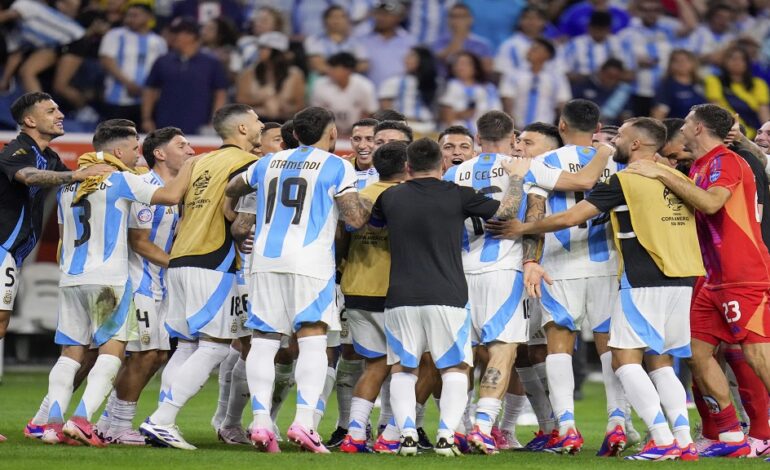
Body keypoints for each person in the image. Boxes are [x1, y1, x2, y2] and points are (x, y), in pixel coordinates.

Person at [505, 117, 702, 461]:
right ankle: (675, 437)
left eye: (619, 137)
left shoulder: (622, 178)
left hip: (636, 275)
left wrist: (523, 228)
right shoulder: (677, 177)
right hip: (680, 277)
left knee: (621, 358)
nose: (609, 143)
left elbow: (570, 217)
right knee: (659, 360)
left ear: (636, 144)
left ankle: (653, 437)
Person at [625, 104, 770, 458]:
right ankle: (732, 436)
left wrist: (663, 174)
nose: (682, 129)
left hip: (742, 273)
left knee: (758, 354)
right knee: (696, 351)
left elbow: (709, 204)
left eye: (687, 123)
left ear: (700, 128)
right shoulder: (702, 165)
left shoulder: (727, 160)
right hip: (711, 275)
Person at [370, 137, 531, 456]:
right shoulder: (457, 195)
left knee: (405, 367)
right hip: (448, 293)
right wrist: (515, 177)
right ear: (442, 165)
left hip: (400, 294)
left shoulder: (390, 197)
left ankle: (405, 436)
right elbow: (506, 212)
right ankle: (446, 435)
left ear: (407, 167)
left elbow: (373, 226)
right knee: (455, 367)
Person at [224, 106, 372, 454]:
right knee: (313, 338)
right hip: (310, 262)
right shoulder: (337, 166)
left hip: (264, 260)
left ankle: (260, 423)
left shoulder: (268, 162)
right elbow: (354, 217)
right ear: (332, 134)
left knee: (263, 339)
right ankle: (304, 423)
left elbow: (233, 187)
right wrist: (367, 201)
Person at [41, 124, 195, 446]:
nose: (137, 155)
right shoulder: (124, 179)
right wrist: (194, 165)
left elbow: (59, 240)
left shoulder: (69, 186)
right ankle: (82, 420)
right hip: (109, 277)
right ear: (119, 152)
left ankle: (51, 425)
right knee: (111, 353)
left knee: (71, 354)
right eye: (134, 149)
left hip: (71, 277)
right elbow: (169, 195)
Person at [489, 99, 627, 455]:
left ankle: (566, 426)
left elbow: (534, 214)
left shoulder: (544, 163)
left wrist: (530, 259)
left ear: (561, 126)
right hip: (608, 264)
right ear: (597, 128)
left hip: (558, 266)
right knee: (608, 347)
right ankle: (617, 424)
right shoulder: (615, 161)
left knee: (558, 347)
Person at [139, 104, 263, 450]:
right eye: (256, 122)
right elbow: (232, 214)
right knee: (215, 347)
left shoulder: (201, 161)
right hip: (214, 259)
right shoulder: (247, 165)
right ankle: (162, 419)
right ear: (241, 129)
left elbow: (180, 202)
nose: (261, 125)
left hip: (179, 259)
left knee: (187, 346)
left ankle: (162, 421)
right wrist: (249, 229)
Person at [0, 94, 112, 433]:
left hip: (11, 254)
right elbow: (30, 177)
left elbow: (76, 181)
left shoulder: (48, 156)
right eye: (51, 111)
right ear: (30, 121)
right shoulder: (17, 149)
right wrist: (75, 176)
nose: (61, 114)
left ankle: (41, 421)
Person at [96, 127, 195, 445]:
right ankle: (118, 426)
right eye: (182, 145)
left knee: (156, 355)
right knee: (145, 355)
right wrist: (177, 264)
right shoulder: (145, 186)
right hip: (140, 283)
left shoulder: (181, 189)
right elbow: (138, 241)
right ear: (160, 153)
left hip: (163, 285)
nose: (190, 150)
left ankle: (107, 423)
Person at [337, 141, 408, 453]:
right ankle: (391, 432)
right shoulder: (407, 197)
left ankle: (354, 433)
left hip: (355, 287)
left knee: (375, 365)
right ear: (407, 166)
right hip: (394, 290)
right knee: (407, 366)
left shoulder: (359, 196)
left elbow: (341, 238)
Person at [142, 17, 228, 134]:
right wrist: (147, 118)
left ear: (191, 36)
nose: (173, 37)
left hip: (199, 125)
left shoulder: (211, 62)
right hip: (165, 124)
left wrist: (214, 122)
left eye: (177, 33)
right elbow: (150, 90)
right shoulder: (163, 61)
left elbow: (220, 93)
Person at [99, 2, 167, 126]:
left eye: (135, 15)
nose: (130, 19)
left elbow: (162, 70)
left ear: (149, 17)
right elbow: (107, 60)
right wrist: (129, 84)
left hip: (148, 102)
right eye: (128, 15)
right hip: (117, 100)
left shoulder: (159, 42)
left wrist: (151, 91)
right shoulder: (115, 35)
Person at [235, 32, 306, 124]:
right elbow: (240, 100)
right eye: (260, 48)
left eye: (264, 48)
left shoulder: (295, 75)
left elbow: (299, 105)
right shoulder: (249, 72)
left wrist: (282, 107)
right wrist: (262, 100)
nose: (259, 51)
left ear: (276, 51)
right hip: (255, 122)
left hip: (285, 122)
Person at [500, 38, 570, 128]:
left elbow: (562, 104)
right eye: (530, 48)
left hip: (545, 128)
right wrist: (513, 127)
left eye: (535, 49)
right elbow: (507, 101)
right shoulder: (513, 75)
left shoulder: (557, 78)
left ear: (547, 55)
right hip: (517, 127)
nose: (530, 50)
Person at [704, 46, 770, 139]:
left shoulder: (758, 83)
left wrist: (766, 134)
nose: (737, 62)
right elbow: (716, 109)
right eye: (733, 58)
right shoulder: (714, 81)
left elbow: (763, 112)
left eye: (742, 59)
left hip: (755, 134)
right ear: (724, 62)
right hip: (728, 133)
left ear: (747, 63)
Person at [310, 53, 378, 135]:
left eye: (334, 68)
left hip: (359, 130)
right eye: (330, 67)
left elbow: (369, 112)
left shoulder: (365, 86)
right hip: (328, 131)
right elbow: (318, 114)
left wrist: (357, 129)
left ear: (347, 70)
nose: (329, 71)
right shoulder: (320, 85)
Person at [438, 51, 501, 134]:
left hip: (484, 135)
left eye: (464, 64)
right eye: (457, 64)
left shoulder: (489, 88)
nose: (460, 67)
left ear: (475, 67)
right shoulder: (451, 85)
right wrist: (461, 115)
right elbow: (446, 116)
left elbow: (498, 115)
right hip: (458, 133)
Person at [379, 46, 438, 133]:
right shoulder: (393, 81)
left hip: (429, 128)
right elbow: (386, 110)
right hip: (402, 128)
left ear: (423, 60)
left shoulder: (436, 83)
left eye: (411, 56)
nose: (406, 59)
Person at [358, 0, 416, 89]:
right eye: (378, 14)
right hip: (369, 94)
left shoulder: (410, 41)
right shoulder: (362, 40)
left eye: (386, 15)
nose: (381, 18)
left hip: (398, 93)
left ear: (398, 17)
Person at [560, 11, 629, 81]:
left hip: (613, 85)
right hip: (582, 84)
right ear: (589, 27)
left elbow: (630, 73)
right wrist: (590, 79)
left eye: (602, 29)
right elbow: (564, 71)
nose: (598, 32)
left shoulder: (619, 44)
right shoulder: (575, 44)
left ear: (609, 29)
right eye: (595, 28)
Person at [495, 6, 558, 78]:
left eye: (536, 19)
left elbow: (560, 71)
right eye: (527, 18)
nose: (531, 22)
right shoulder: (509, 45)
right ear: (520, 21)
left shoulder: (552, 45)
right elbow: (500, 71)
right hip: (516, 86)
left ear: (544, 22)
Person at [304, 5, 368, 75]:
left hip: (350, 80)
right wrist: (340, 74)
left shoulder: (357, 42)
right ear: (324, 21)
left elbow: (363, 65)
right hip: (324, 80)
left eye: (341, 17)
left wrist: (343, 75)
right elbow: (318, 65)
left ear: (348, 21)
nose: (337, 21)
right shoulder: (314, 40)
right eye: (333, 17)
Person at [432, 3, 493, 75]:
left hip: (474, 83)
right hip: (445, 82)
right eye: (453, 16)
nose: (457, 20)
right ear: (448, 20)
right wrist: (458, 36)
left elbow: (487, 69)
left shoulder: (483, 44)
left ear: (471, 19)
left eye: (462, 16)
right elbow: (441, 58)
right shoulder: (439, 42)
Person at [571, 59, 634, 127]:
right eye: (609, 76)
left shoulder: (622, 92)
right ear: (601, 72)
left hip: (611, 129)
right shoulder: (584, 85)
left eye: (616, 77)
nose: (611, 80)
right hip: (584, 126)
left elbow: (626, 115)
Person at [651, 49, 706, 120]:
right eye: (676, 61)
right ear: (670, 65)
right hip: (676, 128)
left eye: (686, 60)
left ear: (693, 63)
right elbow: (658, 114)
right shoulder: (666, 86)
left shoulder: (701, 83)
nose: (682, 63)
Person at [349, 118, 379, 188]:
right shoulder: (341, 170)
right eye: (357, 139)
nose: (362, 146)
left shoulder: (390, 172)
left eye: (369, 139)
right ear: (351, 142)